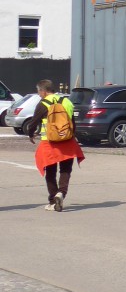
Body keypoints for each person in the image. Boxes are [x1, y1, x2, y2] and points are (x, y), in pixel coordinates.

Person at [28, 79, 84, 212]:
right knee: (65, 170)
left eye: (39, 92)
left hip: (49, 143)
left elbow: (34, 122)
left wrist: (31, 134)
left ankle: (53, 201)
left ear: (43, 91)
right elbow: (72, 122)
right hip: (67, 141)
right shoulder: (67, 101)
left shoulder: (42, 104)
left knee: (51, 172)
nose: (39, 94)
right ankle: (61, 193)